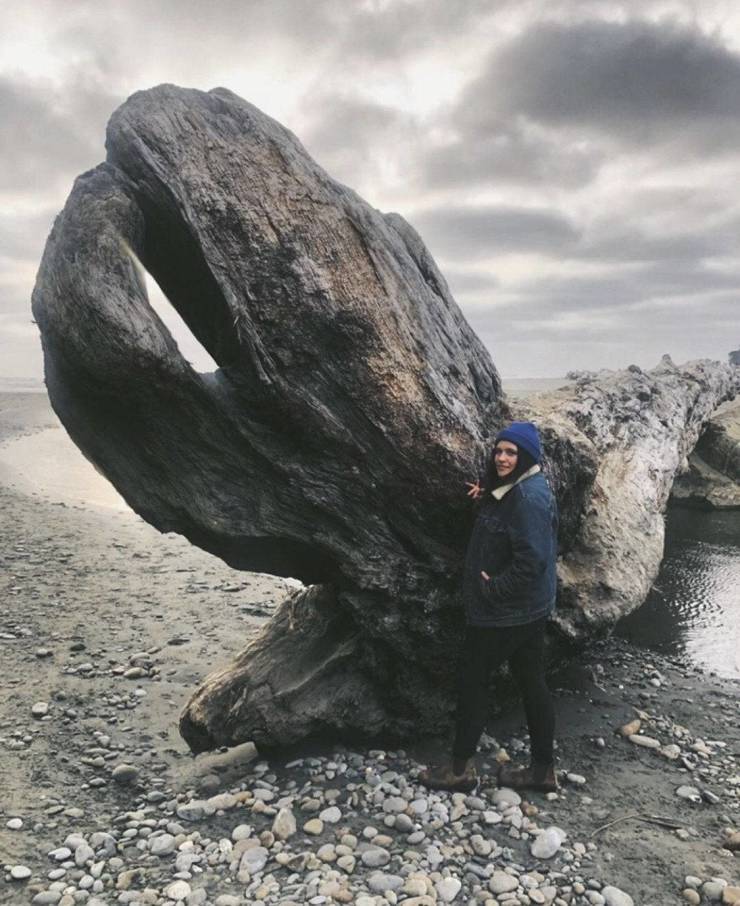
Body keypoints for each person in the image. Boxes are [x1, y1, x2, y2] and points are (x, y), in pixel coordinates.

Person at [420, 421, 559, 793]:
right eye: (499, 450)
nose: (502, 457)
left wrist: (494, 590)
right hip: (529, 609)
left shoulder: (528, 498)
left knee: (473, 681)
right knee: (532, 682)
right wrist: (485, 495)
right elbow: (508, 524)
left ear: (526, 456)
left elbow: (533, 562)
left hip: (506, 612)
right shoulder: (519, 489)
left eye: (511, 452)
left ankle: (460, 770)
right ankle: (542, 771)